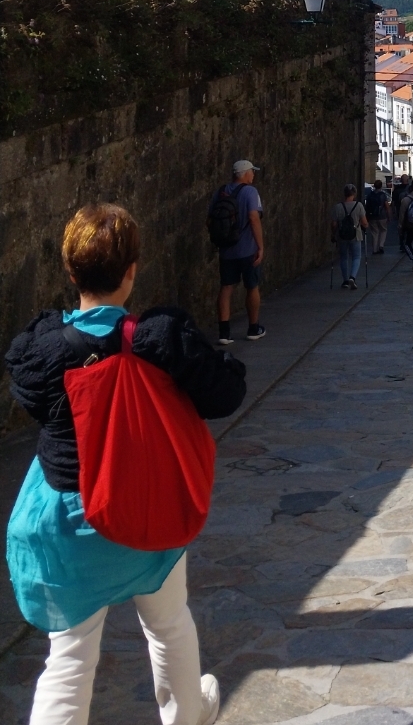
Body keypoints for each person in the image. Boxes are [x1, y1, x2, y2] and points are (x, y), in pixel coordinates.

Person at [5, 203, 246, 725]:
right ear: (132, 270)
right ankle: (186, 714)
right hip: (146, 506)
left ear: (71, 273)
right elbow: (226, 393)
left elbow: (30, 394)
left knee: (69, 656)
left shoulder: (42, 349)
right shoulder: (161, 337)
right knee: (169, 624)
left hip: (70, 515)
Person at [214, 160, 265, 344]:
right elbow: (253, 217)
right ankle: (253, 328)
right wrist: (260, 246)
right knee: (252, 286)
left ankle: (224, 333)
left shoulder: (221, 191)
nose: (253, 175)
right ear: (245, 174)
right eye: (252, 171)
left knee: (226, 287)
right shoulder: (250, 192)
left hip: (226, 250)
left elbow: (210, 219)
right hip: (247, 249)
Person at [330, 184, 367, 290]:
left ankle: (345, 280)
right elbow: (364, 223)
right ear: (354, 193)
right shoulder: (359, 206)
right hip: (356, 235)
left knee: (343, 257)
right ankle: (352, 277)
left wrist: (333, 234)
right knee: (356, 256)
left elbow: (334, 224)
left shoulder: (338, 207)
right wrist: (365, 226)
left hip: (342, 235)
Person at [364, 179, 390, 256]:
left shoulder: (370, 195)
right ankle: (381, 245)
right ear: (381, 186)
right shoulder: (383, 195)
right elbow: (387, 206)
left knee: (374, 233)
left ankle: (375, 249)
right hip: (382, 216)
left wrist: (367, 216)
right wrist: (389, 216)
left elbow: (367, 206)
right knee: (383, 230)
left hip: (372, 216)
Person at [390, 178, 408, 252]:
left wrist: (393, 212)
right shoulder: (410, 189)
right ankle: (407, 243)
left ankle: (402, 243)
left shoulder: (396, 190)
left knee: (401, 228)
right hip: (409, 212)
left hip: (399, 211)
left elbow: (393, 202)